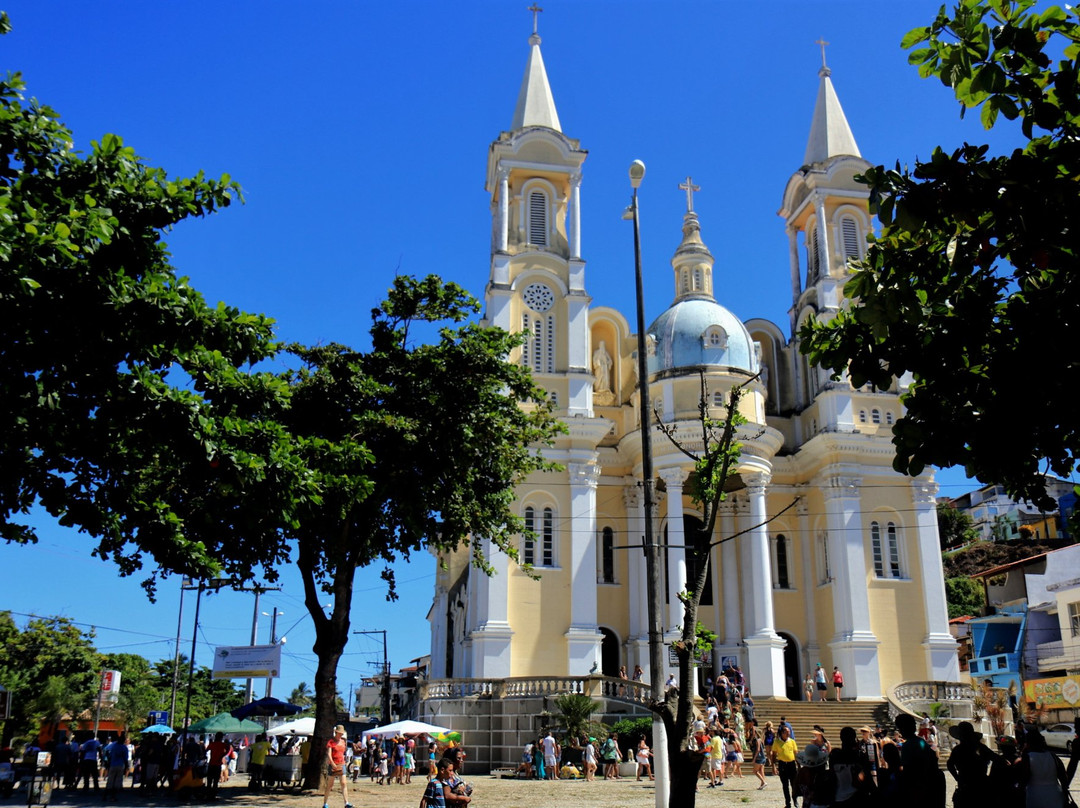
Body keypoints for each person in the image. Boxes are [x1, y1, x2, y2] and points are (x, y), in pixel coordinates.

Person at [947, 721, 999, 808]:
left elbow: (950, 764)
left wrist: (957, 778)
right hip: (979, 786)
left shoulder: (959, 749)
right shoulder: (980, 747)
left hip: (970, 786)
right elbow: (996, 758)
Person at [1019, 729, 1068, 808]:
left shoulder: (1028, 757)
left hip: (1035, 796)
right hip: (1055, 794)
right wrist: (1065, 792)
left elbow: (1024, 778)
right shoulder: (1053, 756)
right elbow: (1063, 777)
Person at [320, 725, 353, 808]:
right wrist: (332, 763)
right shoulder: (331, 741)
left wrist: (345, 761)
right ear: (336, 732)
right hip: (333, 764)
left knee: (344, 783)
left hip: (341, 763)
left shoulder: (343, 742)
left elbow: (343, 753)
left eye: (342, 733)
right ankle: (325, 803)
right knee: (330, 785)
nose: (341, 735)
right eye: (340, 733)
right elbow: (329, 753)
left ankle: (346, 802)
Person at [772, 723, 799, 808]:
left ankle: (795, 800)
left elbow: (796, 754)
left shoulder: (792, 741)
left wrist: (799, 765)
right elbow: (774, 755)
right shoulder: (777, 742)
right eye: (787, 732)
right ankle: (788, 803)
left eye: (789, 731)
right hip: (782, 764)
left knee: (794, 784)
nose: (789, 733)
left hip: (792, 764)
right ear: (782, 733)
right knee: (785, 785)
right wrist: (773, 766)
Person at [104, 733, 129, 801]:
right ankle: (113, 796)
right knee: (117, 781)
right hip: (120, 765)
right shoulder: (124, 748)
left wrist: (108, 763)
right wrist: (127, 766)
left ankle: (105, 795)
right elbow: (125, 758)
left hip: (112, 765)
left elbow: (109, 755)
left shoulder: (114, 746)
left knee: (110, 781)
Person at [205, 732, 232, 796]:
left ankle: (208, 793)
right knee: (215, 781)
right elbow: (228, 748)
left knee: (209, 780)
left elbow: (206, 750)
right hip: (218, 764)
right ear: (221, 737)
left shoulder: (212, 744)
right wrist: (223, 755)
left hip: (211, 764)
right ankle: (213, 794)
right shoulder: (223, 745)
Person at [749, 723, 767, 790]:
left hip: (759, 757)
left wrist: (754, 758)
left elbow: (758, 749)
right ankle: (762, 784)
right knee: (761, 770)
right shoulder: (761, 740)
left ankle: (763, 782)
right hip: (763, 757)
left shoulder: (757, 740)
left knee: (755, 771)